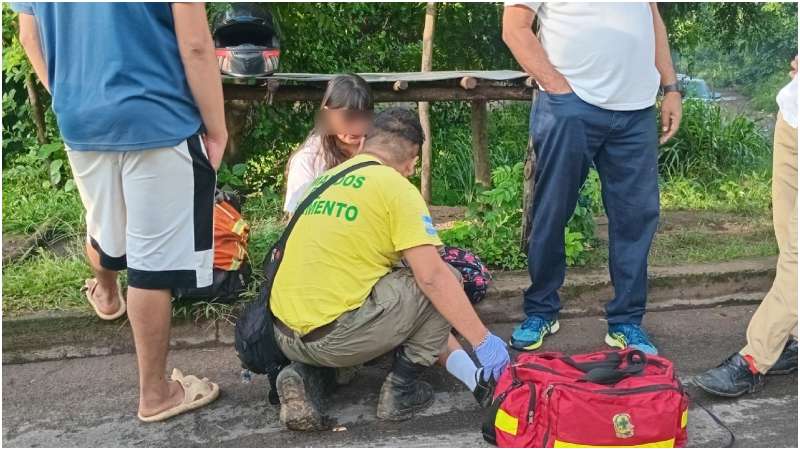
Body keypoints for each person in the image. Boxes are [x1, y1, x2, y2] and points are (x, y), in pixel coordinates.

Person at [14, 2, 226, 421]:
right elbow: (197, 46)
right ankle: (156, 394)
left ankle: (108, 296)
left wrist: (68, 95)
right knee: (152, 264)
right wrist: (217, 130)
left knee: (104, 223)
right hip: (158, 116)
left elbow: (28, 35)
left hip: (81, 118)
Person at [270, 108, 510, 430]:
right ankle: (400, 391)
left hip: (284, 335)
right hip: (337, 338)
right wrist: (483, 341)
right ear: (412, 161)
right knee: (447, 278)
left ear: (364, 142)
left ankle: (305, 374)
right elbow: (433, 279)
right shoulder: (396, 188)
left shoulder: (326, 179)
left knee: (392, 292)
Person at [502, 2, 682, 355]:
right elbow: (515, 28)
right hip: (570, 106)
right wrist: (558, 89)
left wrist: (671, 87)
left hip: (636, 112)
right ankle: (541, 311)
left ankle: (626, 321)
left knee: (636, 218)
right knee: (552, 210)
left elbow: (653, 19)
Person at [693, 57, 798, 397]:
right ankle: (794, 338)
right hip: (793, 118)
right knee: (787, 237)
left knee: (797, 256)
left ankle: (754, 358)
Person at [283, 74, 374, 215]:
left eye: (366, 116)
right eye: (349, 116)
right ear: (328, 115)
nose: (358, 127)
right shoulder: (308, 160)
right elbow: (297, 219)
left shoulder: (378, 151)